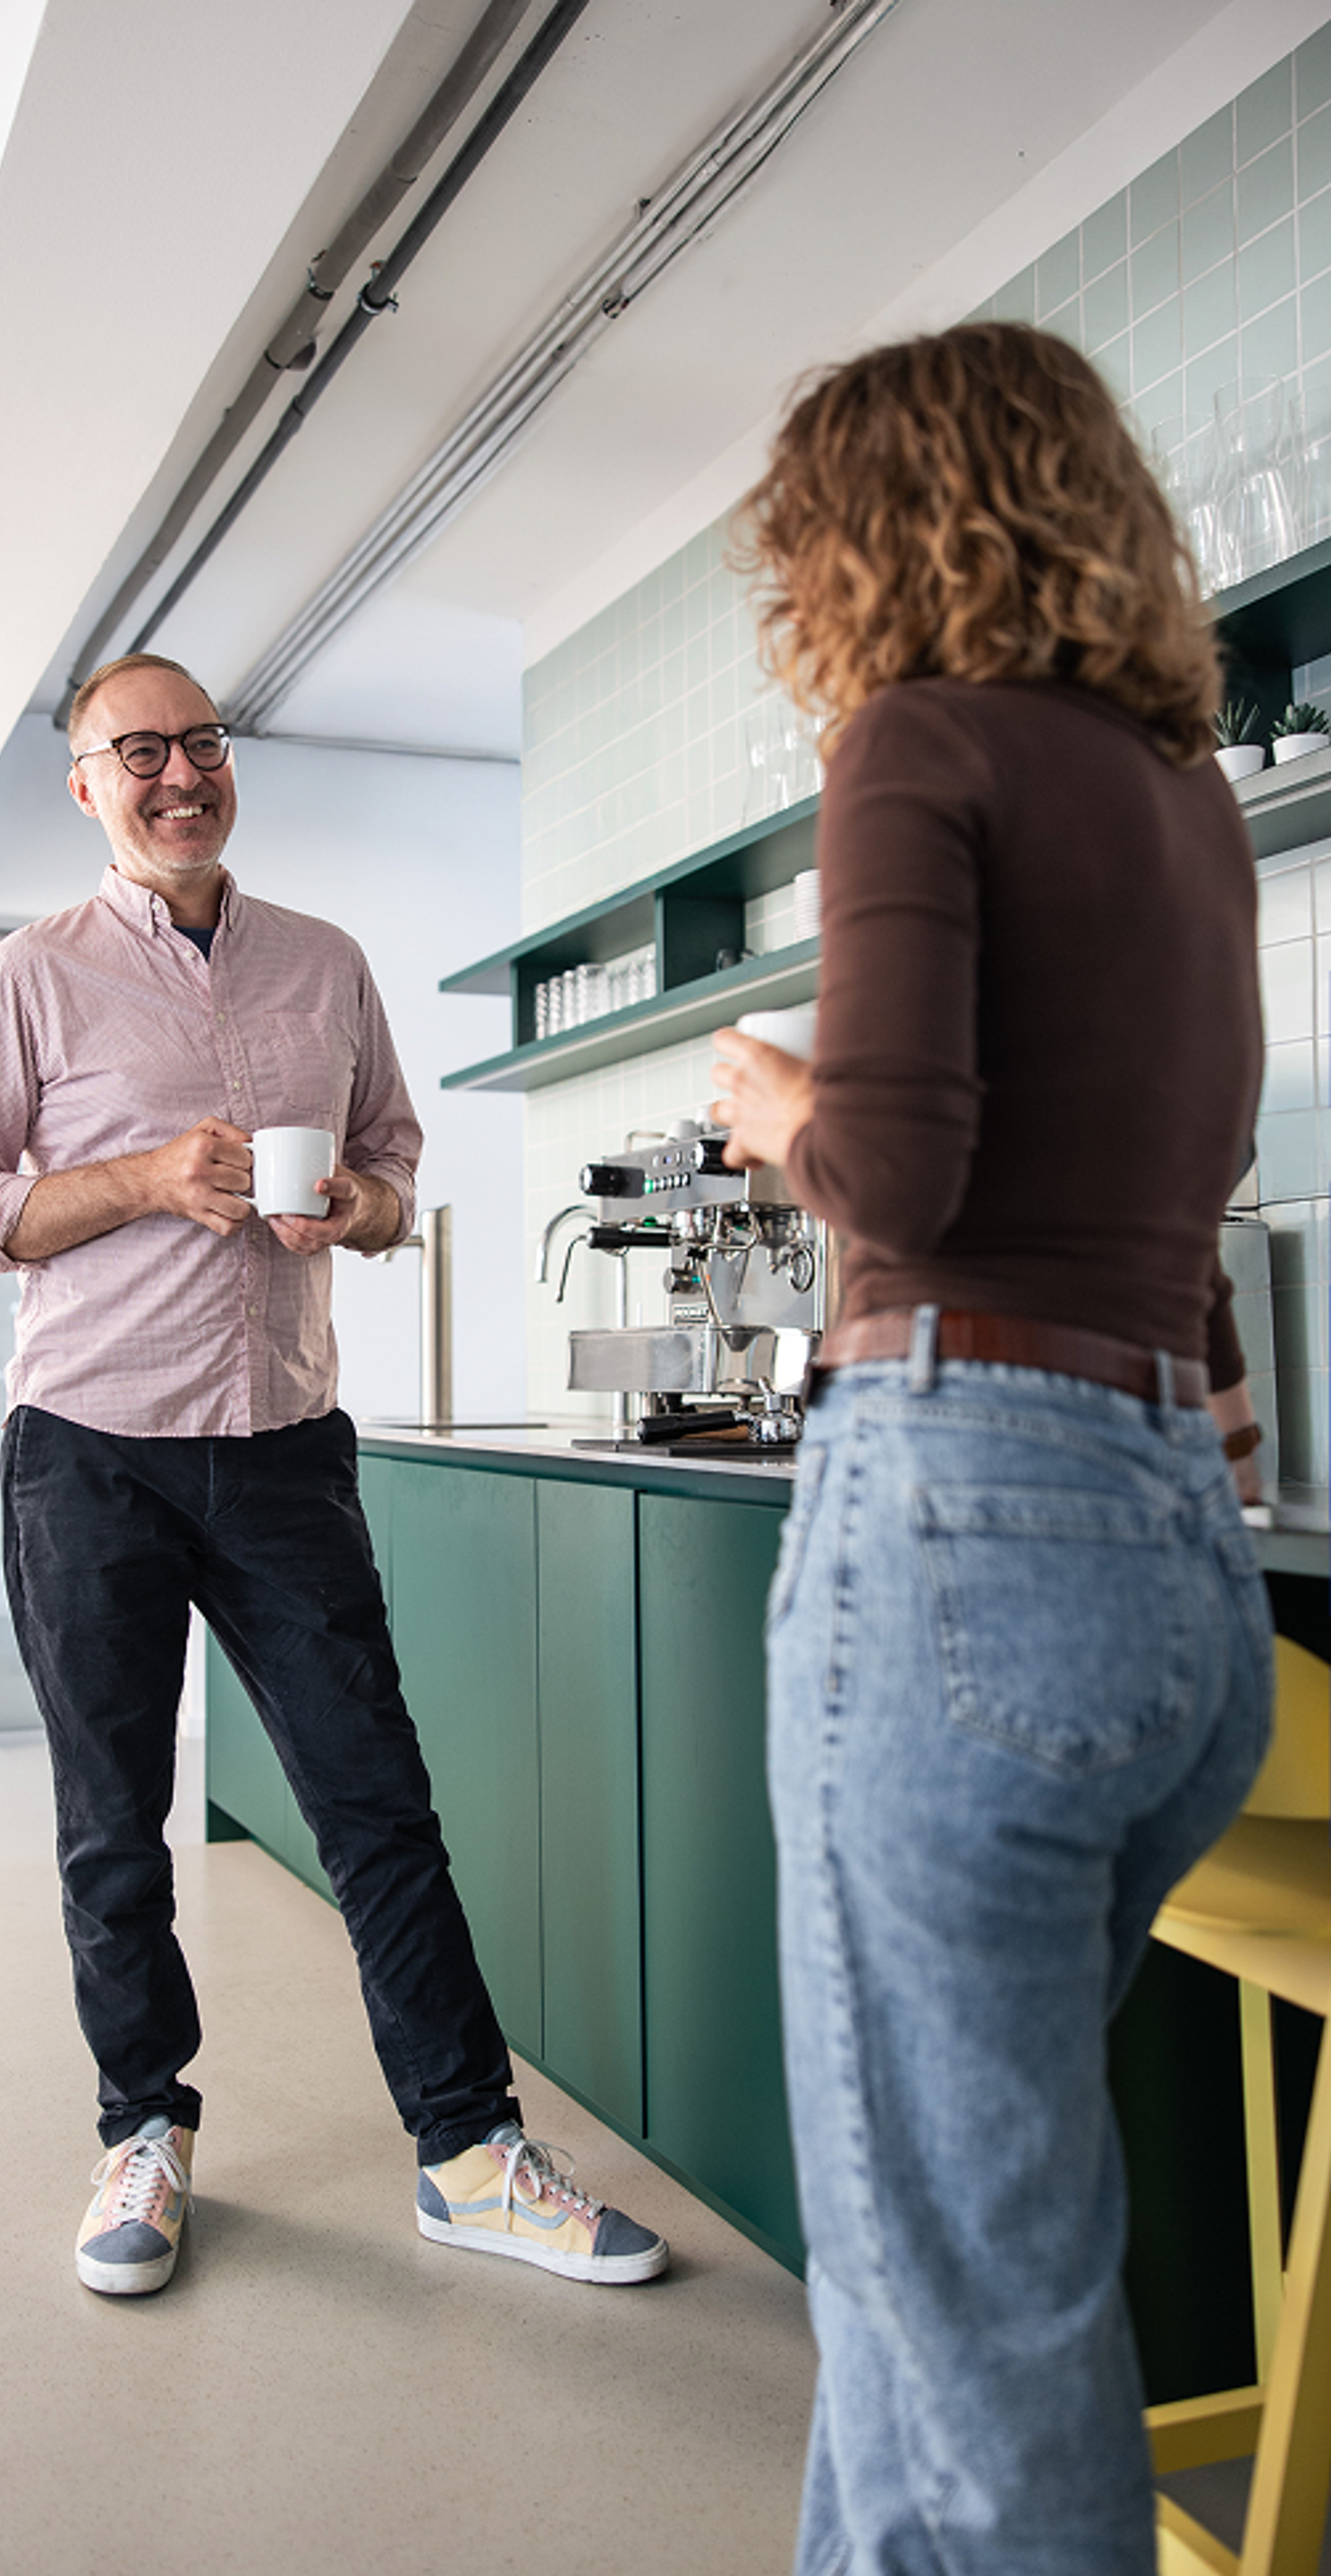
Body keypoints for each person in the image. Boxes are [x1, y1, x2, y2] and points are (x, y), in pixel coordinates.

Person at [709, 325, 1273, 2572]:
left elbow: (910, 1180)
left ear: (871, 531)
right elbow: (1197, 1247)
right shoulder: (1185, 803)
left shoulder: (911, 742)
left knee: (971, 2296)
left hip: (962, 1523)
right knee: (922, 2260)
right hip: (1171, 1564)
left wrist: (776, 1115)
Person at [0, 651, 666, 2297]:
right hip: (87, 1455)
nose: (178, 774)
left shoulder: (326, 967)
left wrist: (364, 1217)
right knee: (113, 1827)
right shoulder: (34, 979)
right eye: (139, 753)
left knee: (376, 1806)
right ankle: (144, 2133)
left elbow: (396, 1169)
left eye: (200, 743)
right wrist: (131, 1180)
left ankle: (469, 2151)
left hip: (282, 1454)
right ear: (87, 785)